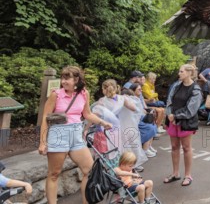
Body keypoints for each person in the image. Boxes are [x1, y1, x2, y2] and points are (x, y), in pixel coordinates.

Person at [39, 66, 112, 204]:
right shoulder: (56, 94)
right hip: (59, 134)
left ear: (76, 80)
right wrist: (43, 142)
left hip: (76, 134)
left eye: (67, 78)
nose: (63, 81)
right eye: (63, 78)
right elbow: (45, 118)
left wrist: (103, 122)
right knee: (54, 174)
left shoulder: (84, 93)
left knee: (89, 171)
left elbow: (87, 114)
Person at [164, 64, 202, 187]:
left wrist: (176, 116)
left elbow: (191, 109)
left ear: (189, 73)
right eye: (179, 71)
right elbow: (169, 102)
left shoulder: (196, 89)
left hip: (185, 122)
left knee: (186, 148)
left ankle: (188, 175)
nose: (179, 73)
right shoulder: (176, 85)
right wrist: (170, 115)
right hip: (173, 120)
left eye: (181, 71)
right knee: (174, 147)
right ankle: (175, 173)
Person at [129, 83, 159, 158]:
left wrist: (148, 111)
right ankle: (145, 149)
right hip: (136, 121)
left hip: (141, 118)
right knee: (150, 128)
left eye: (140, 89)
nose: (141, 90)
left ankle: (148, 146)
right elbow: (136, 112)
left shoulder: (139, 98)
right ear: (133, 91)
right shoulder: (132, 99)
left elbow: (142, 109)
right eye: (139, 89)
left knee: (153, 125)